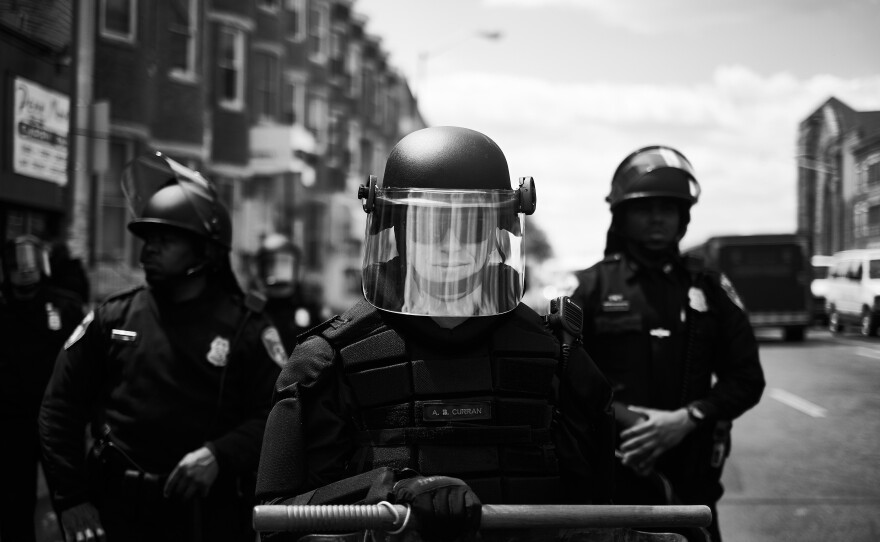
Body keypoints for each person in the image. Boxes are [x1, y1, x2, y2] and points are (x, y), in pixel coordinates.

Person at [255, 126, 616, 541]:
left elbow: (598, 515)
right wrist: (387, 496)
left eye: (472, 228)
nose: (451, 247)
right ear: (398, 232)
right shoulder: (324, 362)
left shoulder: (557, 357)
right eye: (431, 227)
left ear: (498, 234)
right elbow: (276, 520)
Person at [39, 152, 286, 542]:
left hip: (206, 518)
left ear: (204, 250)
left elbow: (279, 415)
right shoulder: (113, 317)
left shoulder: (248, 328)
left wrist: (221, 454)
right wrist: (71, 499)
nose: (148, 250)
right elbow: (59, 407)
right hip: (116, 513)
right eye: (148, 239)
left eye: (165, 240)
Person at [570, 145, 766, 542]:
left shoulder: (711, 289)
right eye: (645, 207)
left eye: (669, 207)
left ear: (683, 217)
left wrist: (685, 419)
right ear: (622, 216)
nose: (658, 217)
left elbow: (747, 377)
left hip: (693, 486)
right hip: (616, 478)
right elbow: (564, 378)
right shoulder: (589, 287)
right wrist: (633, 425)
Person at [0, 235, 85, 542]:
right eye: (15, 264)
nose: (24, 270)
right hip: (12, 423)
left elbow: (86, 358)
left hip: (55, 420)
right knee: (13, 503)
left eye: (29, 261)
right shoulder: (4, 309)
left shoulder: (65, 305)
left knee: (71, 497)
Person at [251, 233, 325, 352]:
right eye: (271, 265)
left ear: (296, 269)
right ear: (261, 270)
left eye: (284, 264)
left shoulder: (309, 309)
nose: (278, 271)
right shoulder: (253, 311)